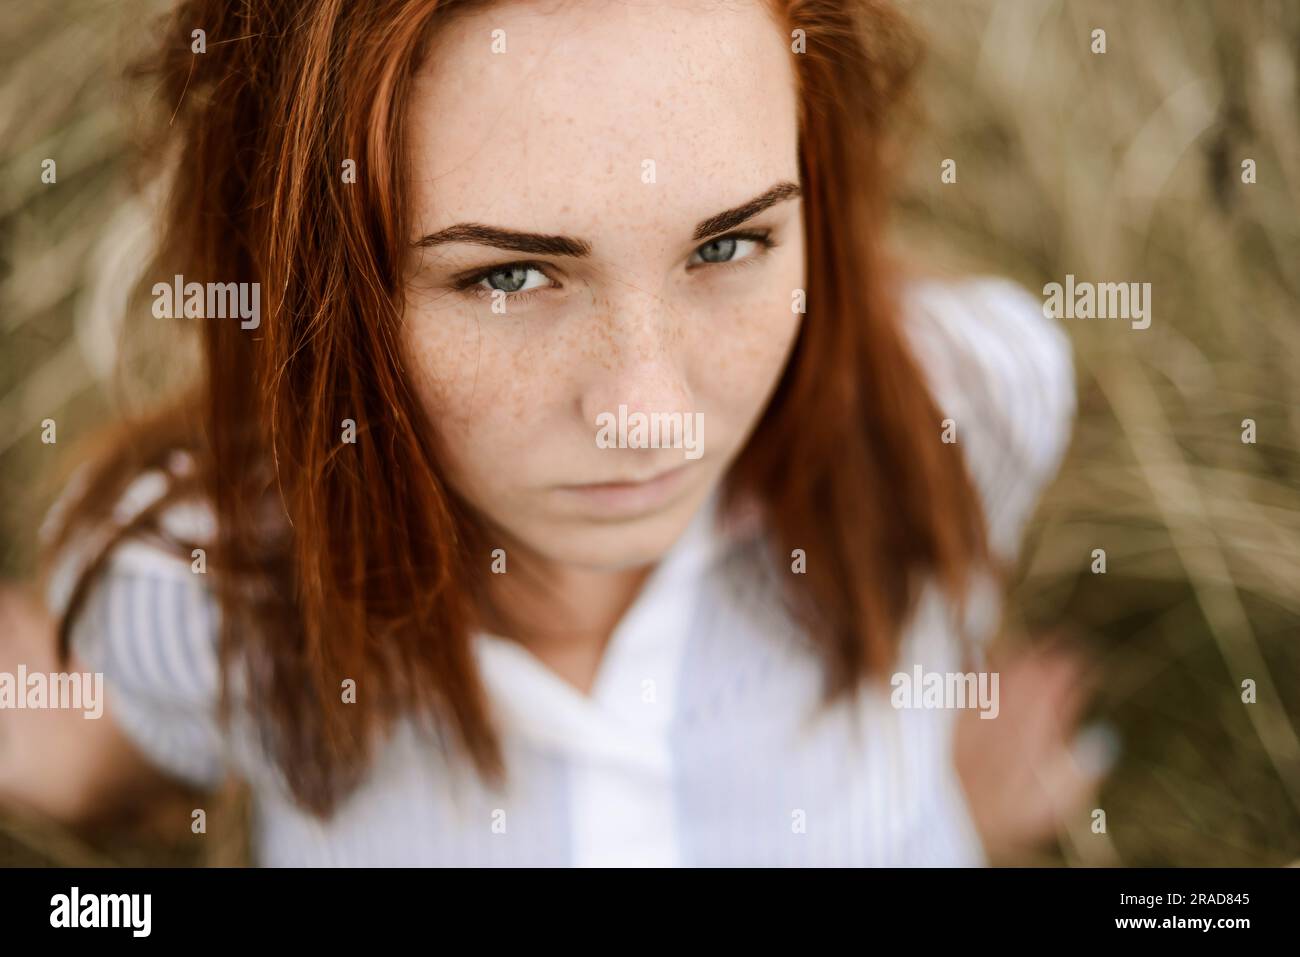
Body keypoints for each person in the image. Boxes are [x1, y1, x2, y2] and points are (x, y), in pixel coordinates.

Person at [0, 0, 1104, 865]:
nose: (649, 414)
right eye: (509, 275)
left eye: (726, 247)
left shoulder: (966, 401)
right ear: (308, 285)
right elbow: (131, 757)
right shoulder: (196, 589)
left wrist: (941, 800)